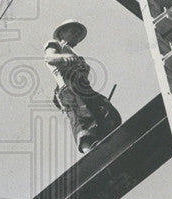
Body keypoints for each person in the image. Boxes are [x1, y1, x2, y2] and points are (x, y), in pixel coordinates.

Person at [44, 20, 121, 154]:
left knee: (104, 109)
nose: (76, 36)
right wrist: (63, 57)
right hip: (68, 87)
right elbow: (49, 57)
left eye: (78, 34)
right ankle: (87, 147)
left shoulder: (73, 52)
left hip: (82, 87)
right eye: (73, 32)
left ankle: (104, 138)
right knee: (82, 116)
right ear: (62, 32)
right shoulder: (55, 44)